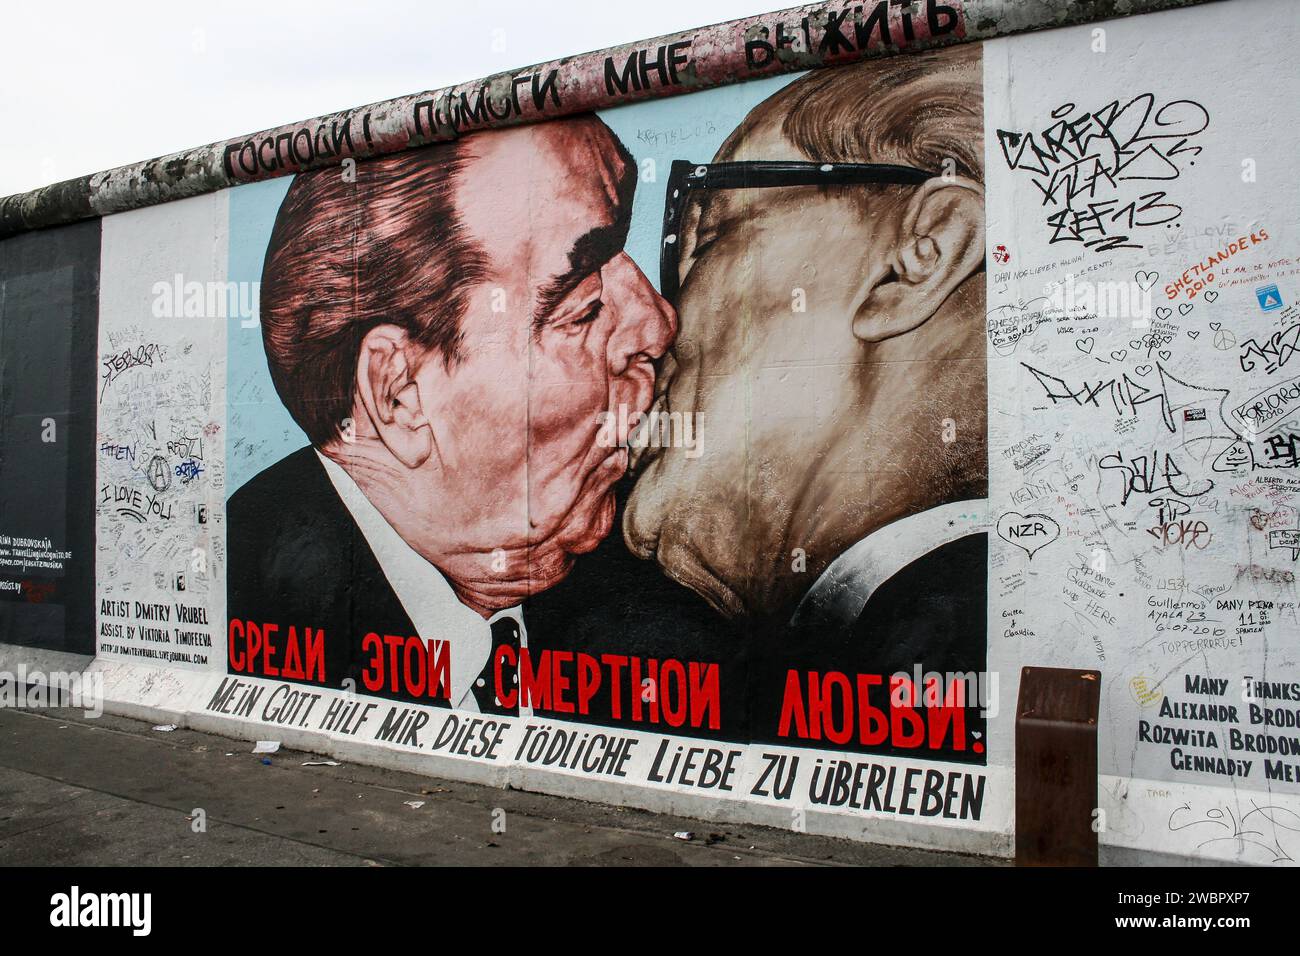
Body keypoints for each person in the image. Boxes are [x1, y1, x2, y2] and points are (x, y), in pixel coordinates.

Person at [227, 115, 675, 713]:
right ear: (399, 396)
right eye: (584, 307)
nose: (656, 324)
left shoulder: (659, 620)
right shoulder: (244, 589)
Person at [619, 44, 990, 759]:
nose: (658, 320)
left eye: (712, 233)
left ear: (919, 260)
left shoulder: (938, 636)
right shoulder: (898, 635)